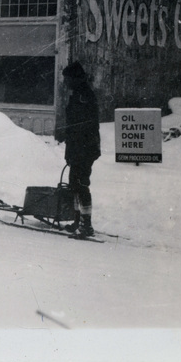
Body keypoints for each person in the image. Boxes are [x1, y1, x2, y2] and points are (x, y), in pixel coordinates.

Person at [61, 61, 101, 237]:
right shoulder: (79, 93)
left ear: (74, 78)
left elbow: (82, 127)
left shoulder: (83, 96)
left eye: (67, 78)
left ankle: (86, 225)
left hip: (84, 149)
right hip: (79, 148)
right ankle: (78, 221)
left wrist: (76, 151)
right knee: (74, 184)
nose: (65, 82)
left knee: (81, 185)